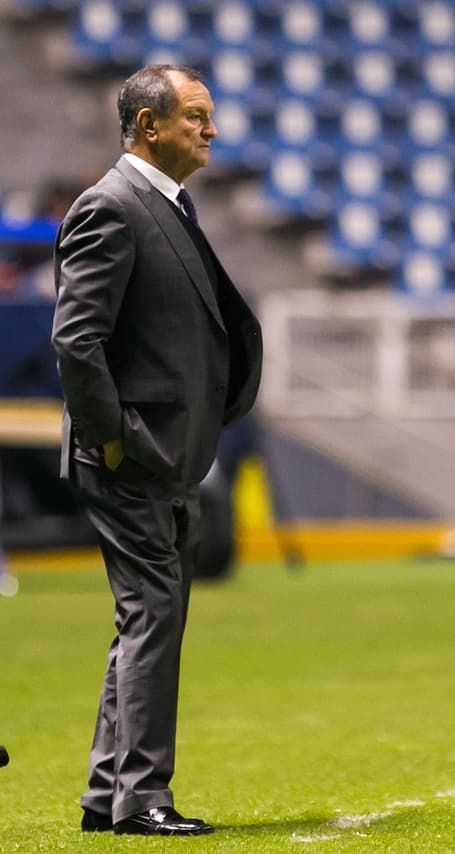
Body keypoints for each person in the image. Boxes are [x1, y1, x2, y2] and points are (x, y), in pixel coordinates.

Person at [51, 64, 262, 836]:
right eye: (196, 118)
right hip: (135, 454)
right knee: (152, 615)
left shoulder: (163, 205)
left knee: (146, 617)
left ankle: (109, 795)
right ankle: (142, 797)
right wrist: (113, 441)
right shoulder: (111, 207)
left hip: (167, 451)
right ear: (148, 126)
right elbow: (77, 341)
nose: (210, 131)